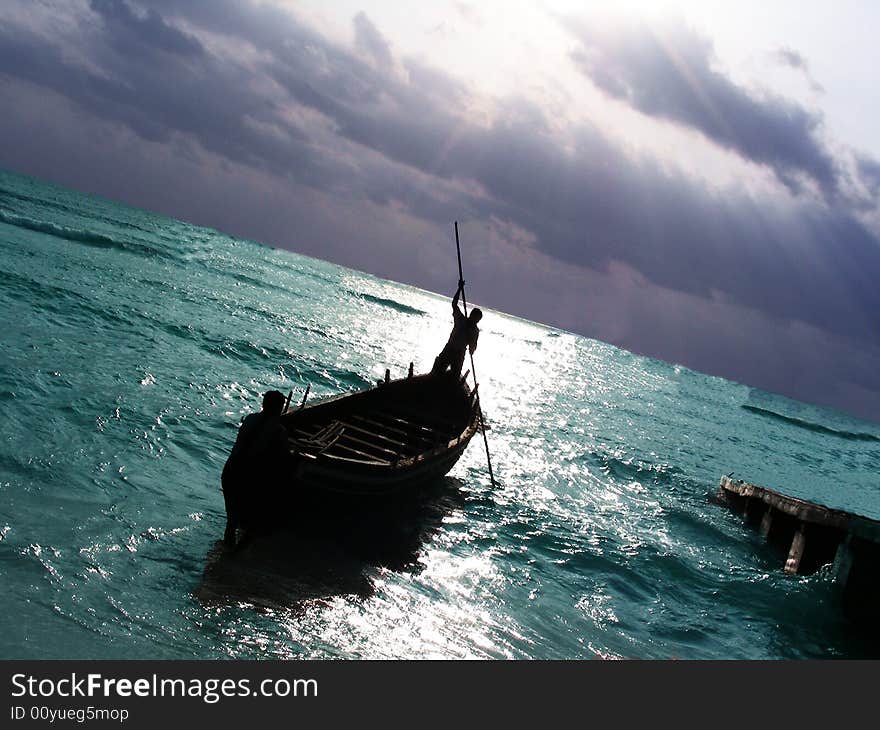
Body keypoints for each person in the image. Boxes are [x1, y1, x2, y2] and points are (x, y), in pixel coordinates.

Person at [221, 390, 289, 546]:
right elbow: (282, 457)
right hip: (249, 477)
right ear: (279, 408)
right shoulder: (278, 431)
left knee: (232, 520)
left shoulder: (250, 419)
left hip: (231, 471)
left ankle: (227, 552)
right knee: (253, 523)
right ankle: (237, 554)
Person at [431, 280, 482, 377]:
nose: (475, 321)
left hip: (459, 354)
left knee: (454, 378)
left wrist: (471, 341)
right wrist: (459, 289)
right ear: (471, 315)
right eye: (474, 317)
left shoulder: (475, 331)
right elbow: (454, 304)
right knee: (437, 372)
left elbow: (472, 349)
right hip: (449, 348)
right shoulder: (461, 319)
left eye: (477, 320)